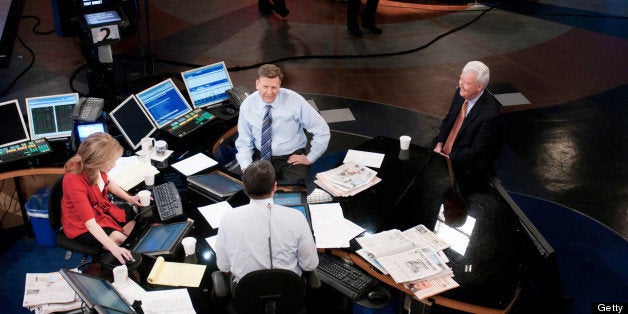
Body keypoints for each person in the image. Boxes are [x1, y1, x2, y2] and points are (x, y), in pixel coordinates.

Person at [214, 160, 318, 284]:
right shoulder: (297, 217)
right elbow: (309, 265)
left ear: (245, 188)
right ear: (275, 186)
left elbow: (224, 266)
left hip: (247, 296)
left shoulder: (228, 218)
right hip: (290, 294)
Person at [235, 64, 330, 185]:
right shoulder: (247, 105)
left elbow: (322, 130)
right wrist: (246, 166)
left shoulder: (294, 101)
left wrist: (311, 157)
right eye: (265, 86)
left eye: (274, 87)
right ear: (257, 84)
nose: (269, 92)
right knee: (254, 188)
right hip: (260, 157)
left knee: (294, 189)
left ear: (279, 85)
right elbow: (244, 141)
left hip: (291, 158)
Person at [61, 132, 143, 264]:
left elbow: (108, 182)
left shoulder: (93, 166)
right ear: (97, 162)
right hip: (81, 225)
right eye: (112, 162)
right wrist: (115, 249)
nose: (114, 165)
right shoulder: (73, 181)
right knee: (118, 239)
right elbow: (90, 223)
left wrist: (129, 198)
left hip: (99, 211)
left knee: (135, 226)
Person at [433, 61, 504, 185]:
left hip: (467, 166)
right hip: (446, 153)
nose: (461, 85)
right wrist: (440, 143)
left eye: (466, 83)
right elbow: (449, 120)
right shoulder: (460, 93)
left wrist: (449, 158)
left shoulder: (490, 114)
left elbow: (476, 151)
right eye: (461, 79)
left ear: (479, 87)